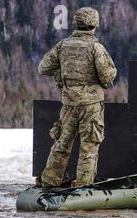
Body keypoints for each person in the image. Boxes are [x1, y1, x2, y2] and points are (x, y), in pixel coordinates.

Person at [37, 7, 117, 188]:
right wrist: (113, 71)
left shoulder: (63, 45)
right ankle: (83, 186)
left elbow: (43, 68)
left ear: (77, 23)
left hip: (69, 104)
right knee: (89, 146)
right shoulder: (96, 48)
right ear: (94, 24)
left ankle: (50, 181)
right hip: (91, 105)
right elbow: (106, 77)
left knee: (62, 143)